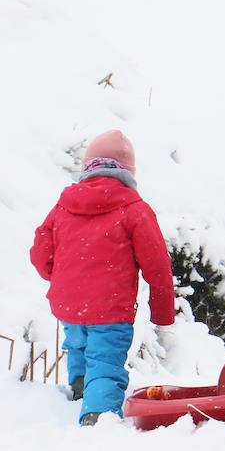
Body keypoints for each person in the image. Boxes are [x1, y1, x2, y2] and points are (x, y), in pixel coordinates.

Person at [30, 129, 175, 426]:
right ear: (129, 173)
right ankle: (98, 418)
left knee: (79, 347)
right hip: (110, 308)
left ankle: (80, 391)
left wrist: (58, 277)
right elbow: (157, 265)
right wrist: (162, 312)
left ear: (87, 167)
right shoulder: (135, 209)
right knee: (105, 362)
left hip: (70, 305)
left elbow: (40, 249)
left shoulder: (64, 205)